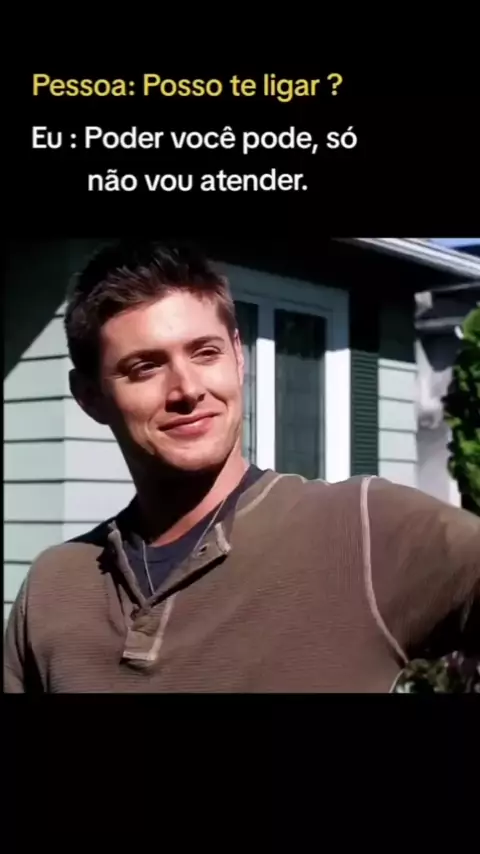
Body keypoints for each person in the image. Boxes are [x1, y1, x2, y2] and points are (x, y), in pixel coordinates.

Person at [4, 239, 480, 693]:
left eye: (205, 353)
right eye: (145, 367)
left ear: (238, 355)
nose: (188, 389)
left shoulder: (361, 529)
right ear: (90, 397)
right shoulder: (52, 589)